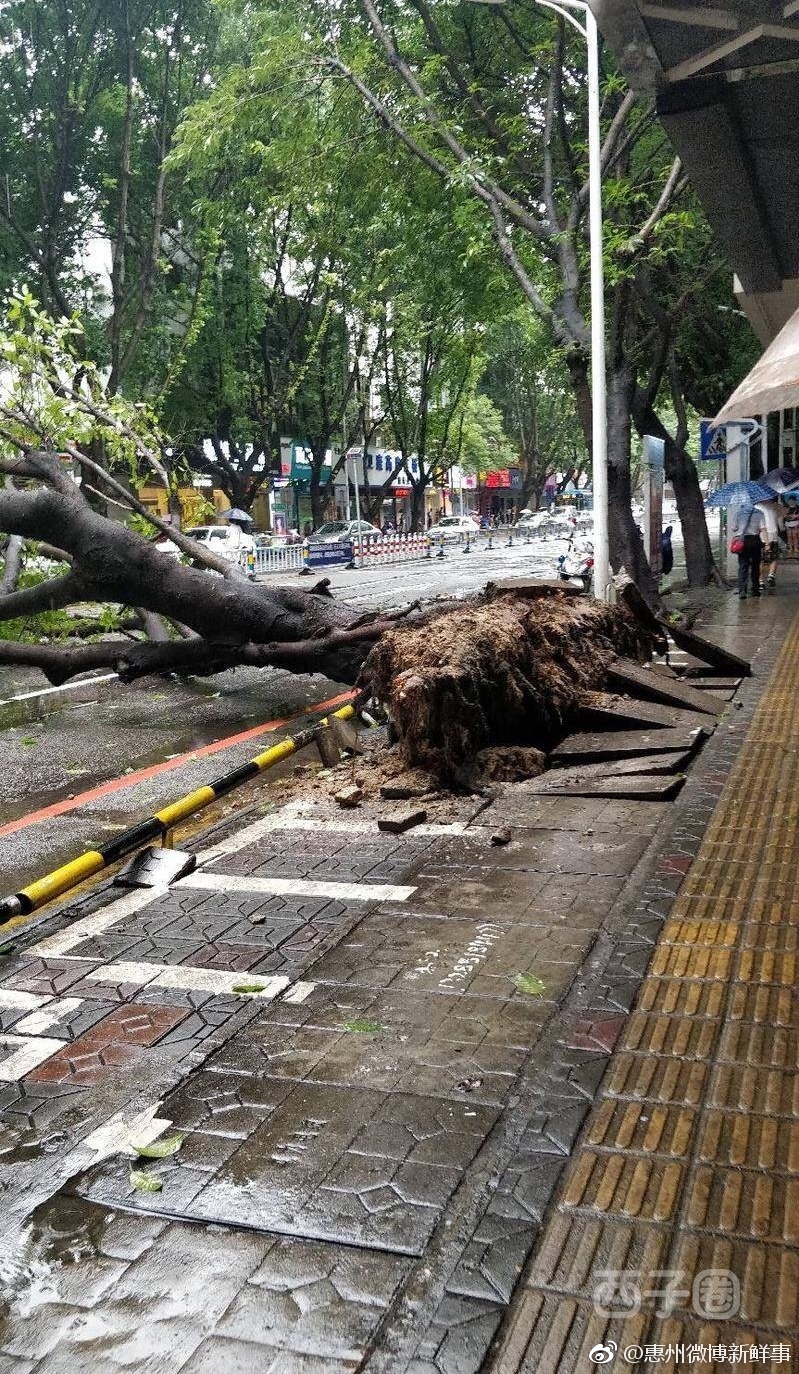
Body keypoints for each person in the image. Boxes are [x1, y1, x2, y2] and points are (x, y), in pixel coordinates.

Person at [732, 504, 766, 599]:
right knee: (755, 565)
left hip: (742, 541)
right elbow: (762, 528)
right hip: (755, 540)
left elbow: (733, 528)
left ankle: (742, 590)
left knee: (743, 565)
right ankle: (755, 589)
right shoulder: (760, 513)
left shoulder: (738, 513)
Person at [756, 499, 784, 592]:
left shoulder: (756, 507)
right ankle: (771, 575)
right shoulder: (776, 506)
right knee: (774, 558)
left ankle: (760, 581)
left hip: (761, 537)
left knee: (760, 560)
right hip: (773, 535)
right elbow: (781, 521)